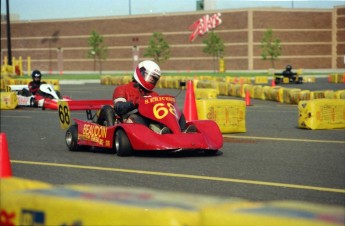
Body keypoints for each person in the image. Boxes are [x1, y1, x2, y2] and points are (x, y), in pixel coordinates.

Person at [97, 60, 191, 134]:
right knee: (137, 118)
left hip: (152, 120)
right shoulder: (122, 89)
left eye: (154, 79)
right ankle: (159, 132)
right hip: (129, 120)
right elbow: (119, 108)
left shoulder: (154, 94)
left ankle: (181, 132)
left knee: (179, 113)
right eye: (150, 77)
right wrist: (134, 102)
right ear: (140, 72)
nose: (152, 81)